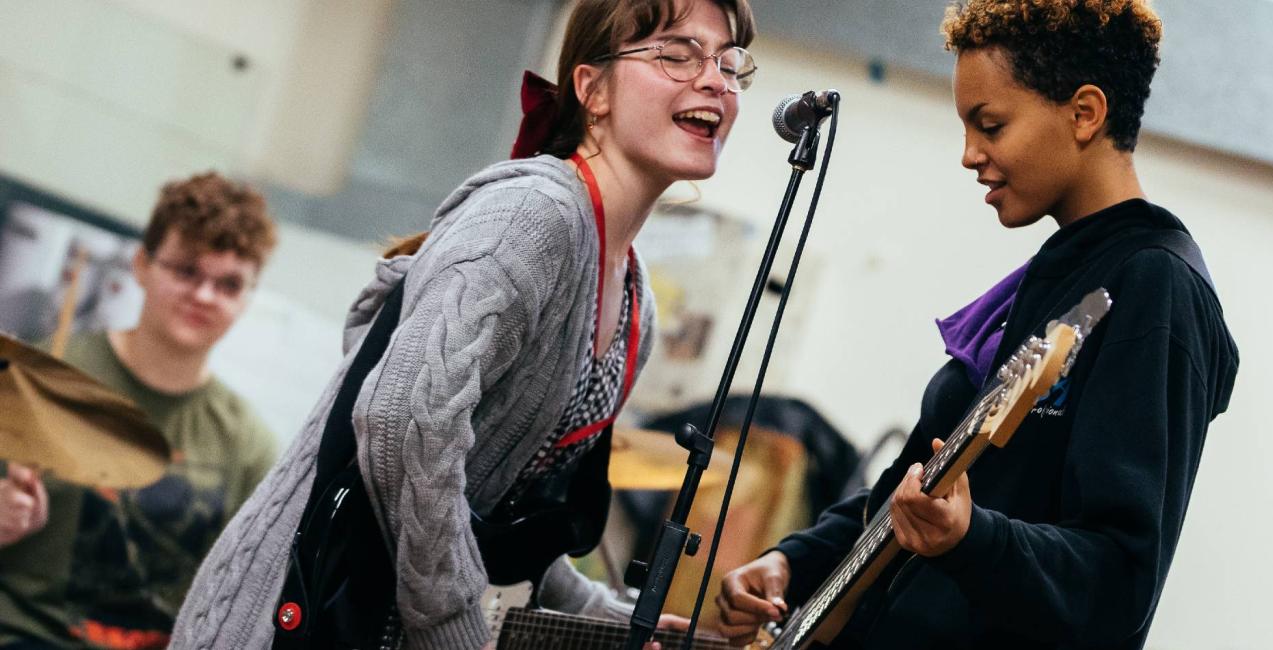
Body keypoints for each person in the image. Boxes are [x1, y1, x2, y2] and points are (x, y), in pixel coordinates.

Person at [170, 0, 757, 648]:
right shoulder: (535, 217)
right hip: (282, 622)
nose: (714, 80)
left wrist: (603, 619)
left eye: (729, 63)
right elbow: (402, 418)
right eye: (677, 53)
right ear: (592, 90)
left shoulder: (632, 298)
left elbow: (502, 512)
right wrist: (451, 628)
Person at [716, 1, 1239, 648]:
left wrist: (972, 539)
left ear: (1084, 114)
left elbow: (1119, 585)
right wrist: (794, 562)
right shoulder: (1050, 280)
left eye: (989, 125)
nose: (969, 154)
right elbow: (907, 490)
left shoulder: (1155, 289)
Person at [0, 172, 281, 649]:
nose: (204, 296)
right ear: (141, 265)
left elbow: (243, 600)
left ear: (248, 299)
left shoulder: (247, 444)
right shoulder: (46, 377)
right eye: (187, 271)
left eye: (229, 284)